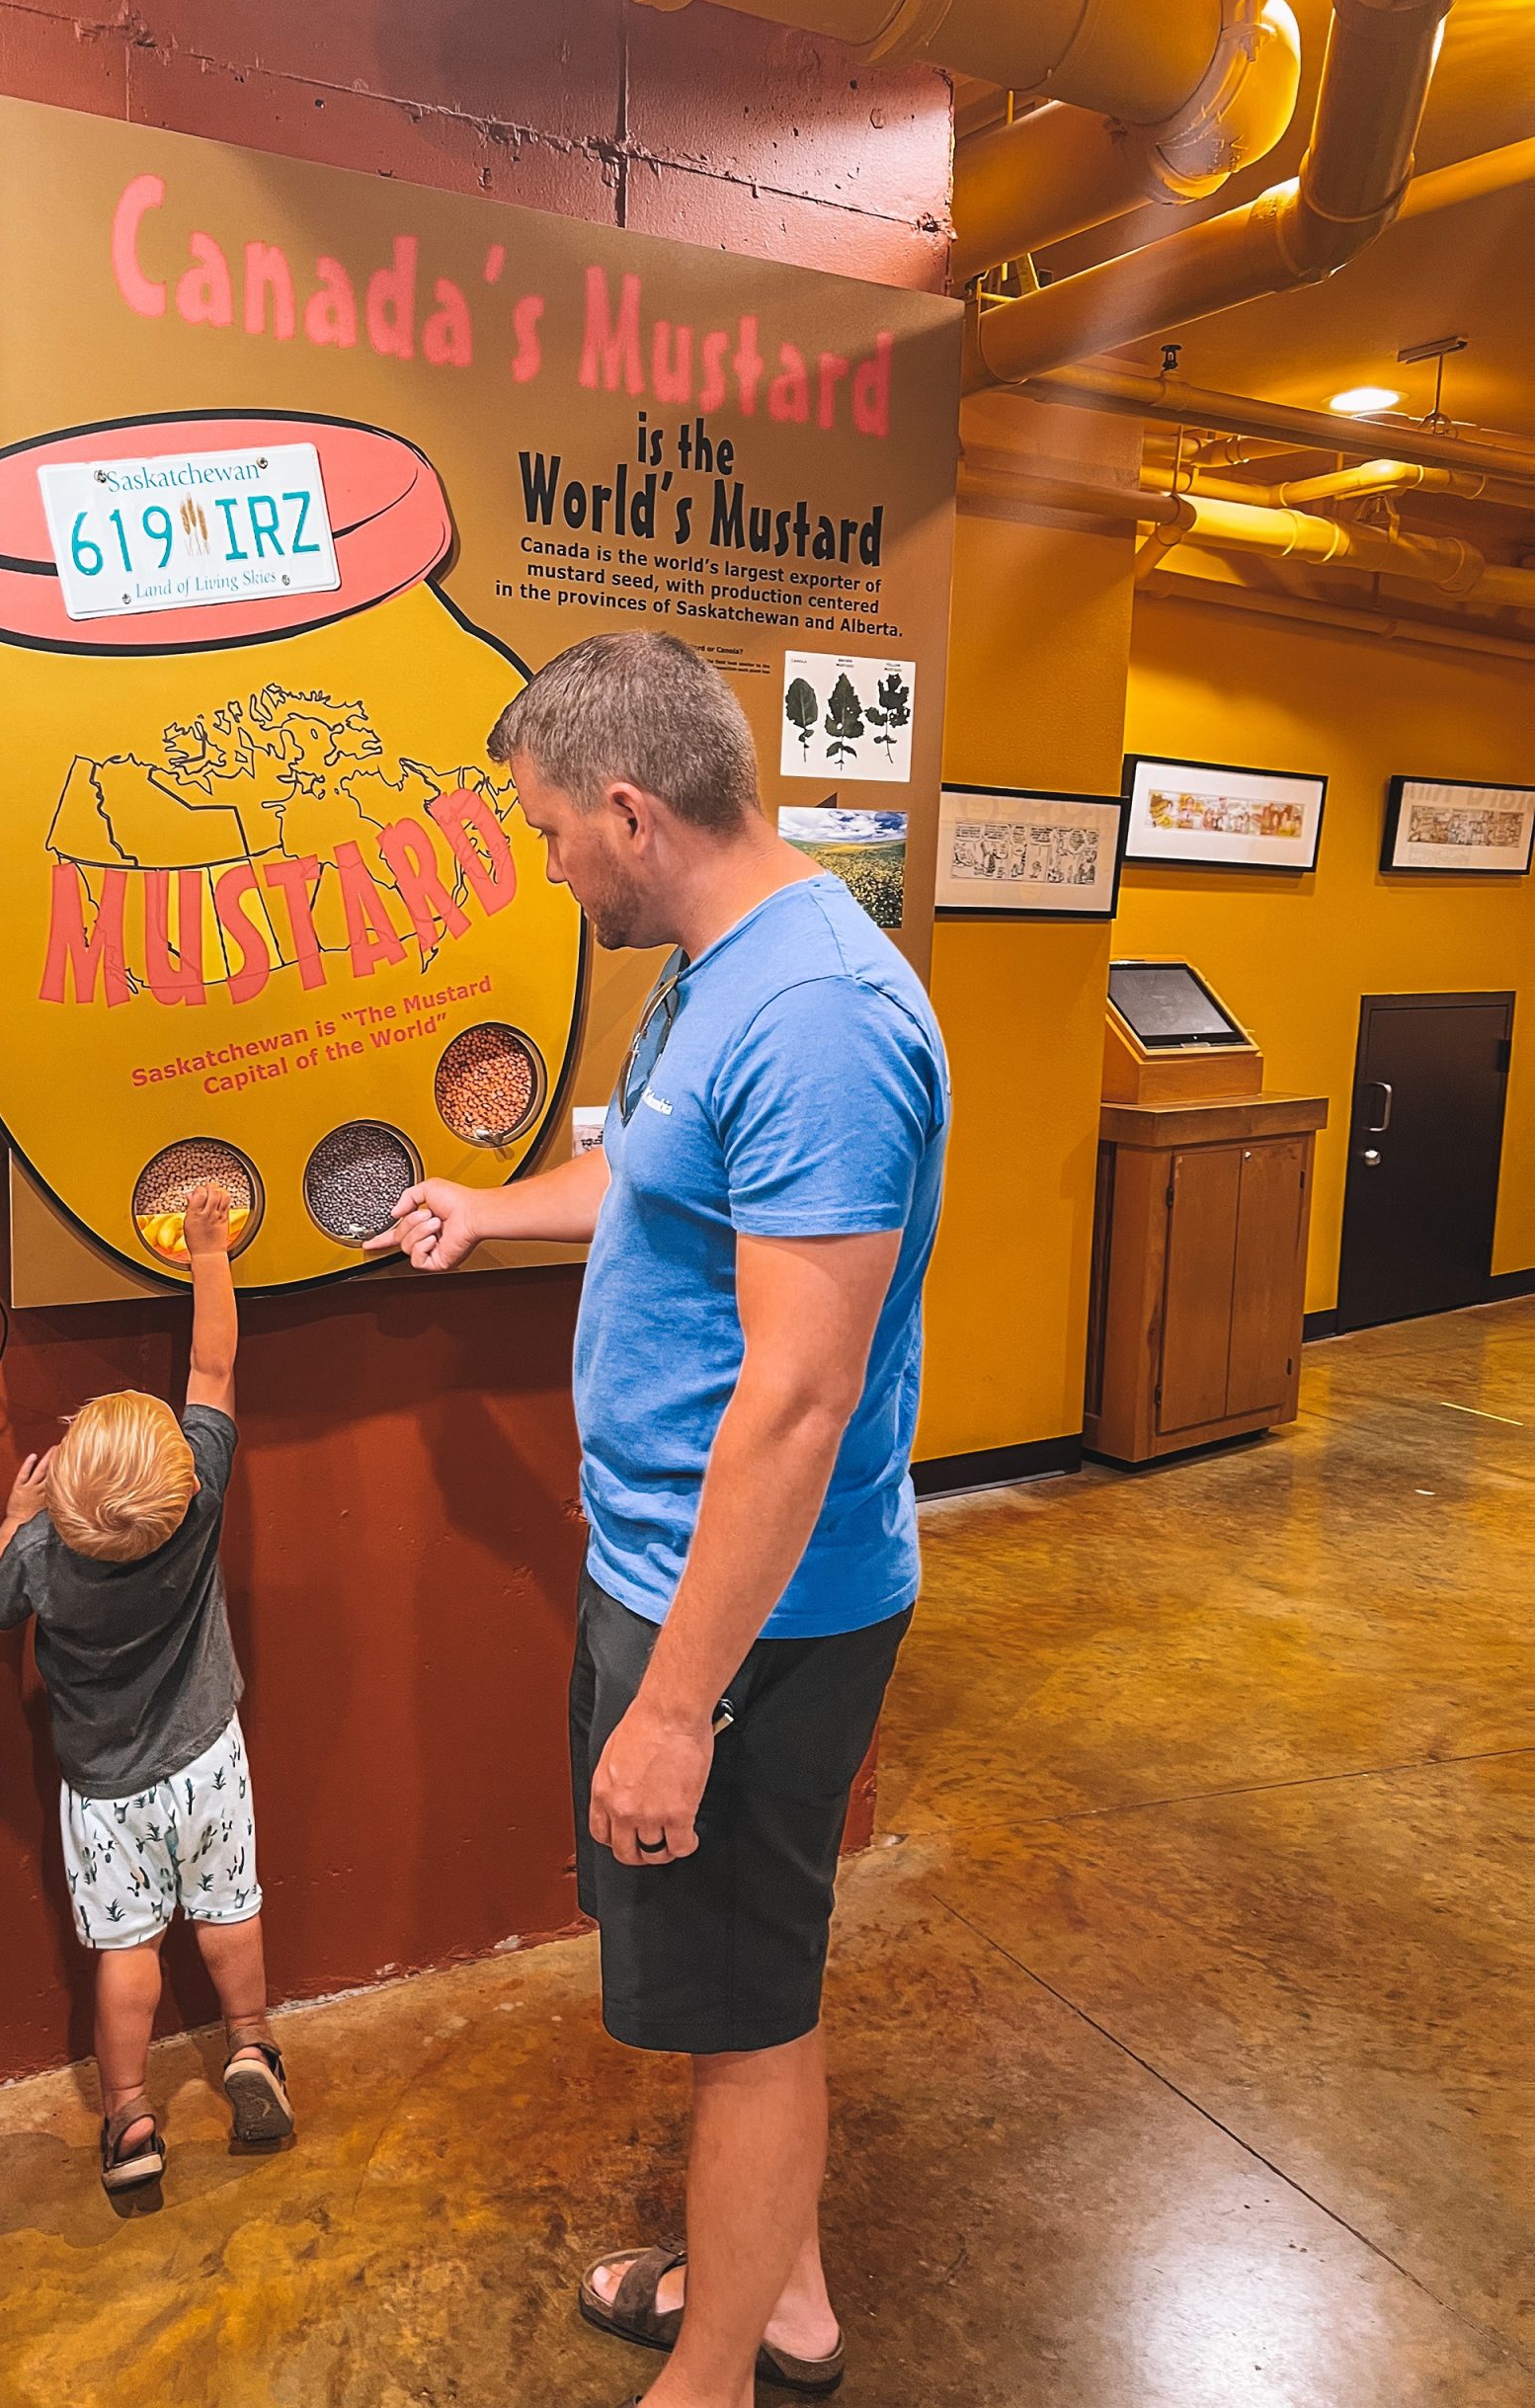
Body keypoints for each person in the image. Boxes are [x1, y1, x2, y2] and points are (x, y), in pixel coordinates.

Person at [369, 633, 948, 2407]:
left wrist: (679, 1706)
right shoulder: (716, 970)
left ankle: (715, 2373)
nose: (549, 866)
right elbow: (653, 1167)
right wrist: (495, 1210)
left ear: (630, 813)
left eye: (552, 833)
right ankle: (780, 2290)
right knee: (747, 1990)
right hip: (673, 1576)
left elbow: (798, 1404)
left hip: (755, 1618)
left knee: (745, 2025)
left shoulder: (821, 1021)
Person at [0, 1182, 293, 2197]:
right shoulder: (197, 1504)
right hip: (209, 1760)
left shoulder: (41, 1555)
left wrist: (15, 1517)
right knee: (229, 1911)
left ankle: (129, 2116)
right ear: (184, 1481)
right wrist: (209, 1252)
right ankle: (250, 2045)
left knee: (127, 1947)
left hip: (107, 1791)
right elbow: (213, 1367)